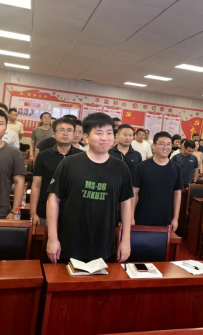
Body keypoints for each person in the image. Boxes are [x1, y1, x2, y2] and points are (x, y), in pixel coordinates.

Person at [46, 112, 132, 264]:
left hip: (104, 245)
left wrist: (125, 240)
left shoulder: (121, 168)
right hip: (69, 242)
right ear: (85, 137)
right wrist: (52, 239)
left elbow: (126, 204)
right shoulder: (69, 164)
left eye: (109, 133)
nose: (104, 138)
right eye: (98, 133)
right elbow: (53, 200)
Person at [30, 117, 83, 225]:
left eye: (69, 130)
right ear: (54, 134)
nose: (65, 133)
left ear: (74, 134)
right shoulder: (43, 156)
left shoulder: (82, 156)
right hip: (45, 210)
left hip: (73, 212)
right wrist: (33, 212)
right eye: (61, 130)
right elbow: (36, 185)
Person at [132, 131, 183, 230]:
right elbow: (134, 193)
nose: (166, 147)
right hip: (142, 217)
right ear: (154, 146)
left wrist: (175, 218)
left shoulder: (176, 168)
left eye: (169, 144)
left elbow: (177, 194)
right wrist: (131, 216)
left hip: (165, 219)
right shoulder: (142, 166)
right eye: (162, 144)